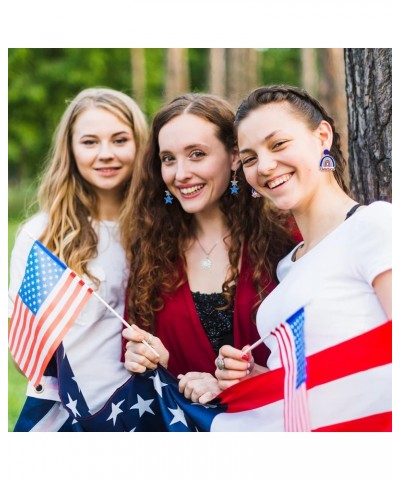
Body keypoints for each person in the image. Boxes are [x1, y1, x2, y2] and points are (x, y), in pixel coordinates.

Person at [214, 85, 392, 430]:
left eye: (278, 144)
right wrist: (255, 377)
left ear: (321, 135)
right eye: (250, 158)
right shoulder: (287, 265)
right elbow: (316, 382)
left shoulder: (374, 225)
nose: (265, 166)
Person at [120, 93, 298, 404]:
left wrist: (249, 380)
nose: (181, 174)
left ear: (233, 156)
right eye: (168, 159)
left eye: (197, 154)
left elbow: (318, 350)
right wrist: (154, 360)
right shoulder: (151, 249)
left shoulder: (285, 238)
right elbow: (134, 354)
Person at [8, 87, 148, 431]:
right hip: (69, 416)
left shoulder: (160, 231)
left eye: (119, 140)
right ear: (70, 149)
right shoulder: (42, 236)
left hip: (147, 412)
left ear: (140, 145)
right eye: (89, 142)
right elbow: (23, 353)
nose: (105, 154)